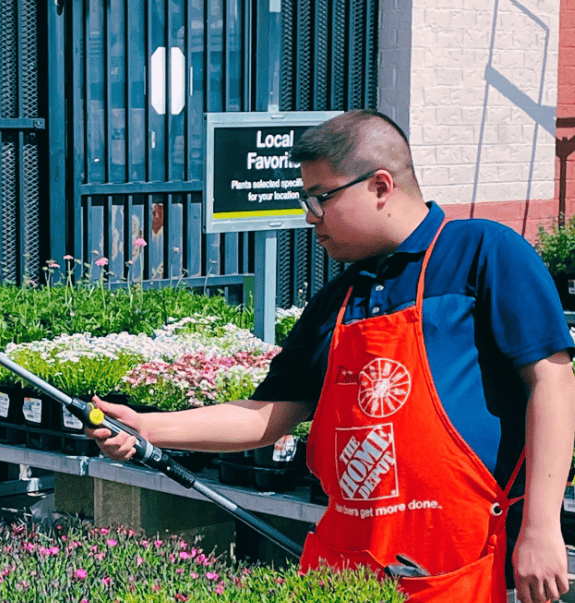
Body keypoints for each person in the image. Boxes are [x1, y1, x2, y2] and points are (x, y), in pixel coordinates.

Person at [86, 110, 575, 603]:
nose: (308, 216)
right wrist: (149, 427)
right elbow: (267, 417)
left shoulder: (483, 254)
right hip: (352, 575)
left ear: (380, 186)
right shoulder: (337, 300)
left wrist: (541, 527)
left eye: (320, 197)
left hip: (469, 568)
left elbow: (553, 383)